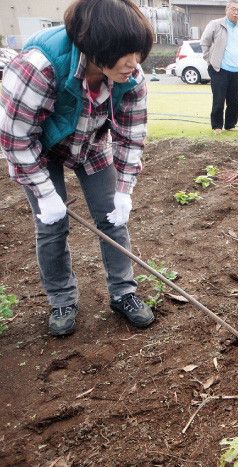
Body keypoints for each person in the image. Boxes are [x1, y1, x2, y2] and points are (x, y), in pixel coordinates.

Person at [0, 0, 155, 337]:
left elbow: (131, 137)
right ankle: (61, 299)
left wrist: (124, 190)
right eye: (125, 53)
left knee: (112, 218)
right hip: (39, 149)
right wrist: (45, 194)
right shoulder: (39, 67)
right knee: (52, 225)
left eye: (138, 52)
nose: (135, 62)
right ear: (96, 46)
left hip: (91, 144)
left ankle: (123, 292)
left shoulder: (131, 77)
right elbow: (15, 139)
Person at [200, 0, 238, 136]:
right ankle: (216, 126)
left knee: (234, 101)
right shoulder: (216, 25)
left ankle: (230, 124)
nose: (236, 12)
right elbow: (204, 42)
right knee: (219, 99)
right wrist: (208, 60)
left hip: (235, 69)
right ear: (226, 9)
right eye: (233, 9)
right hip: (219, 68)